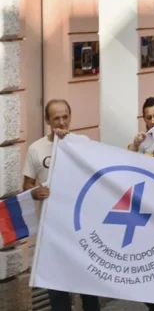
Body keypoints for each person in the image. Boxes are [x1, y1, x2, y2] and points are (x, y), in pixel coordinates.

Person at [23, 100, 102, 311]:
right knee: (57, 288)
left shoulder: (82, 142)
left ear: (70, 117)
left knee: (88, 287)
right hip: (51, 231)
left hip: (80, 227)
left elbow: (97, 178)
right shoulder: (36, 149)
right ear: (47, 120)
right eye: (56, 118)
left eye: (65, 117)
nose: (61, 122)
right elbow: (26, 187)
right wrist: (34, 193)